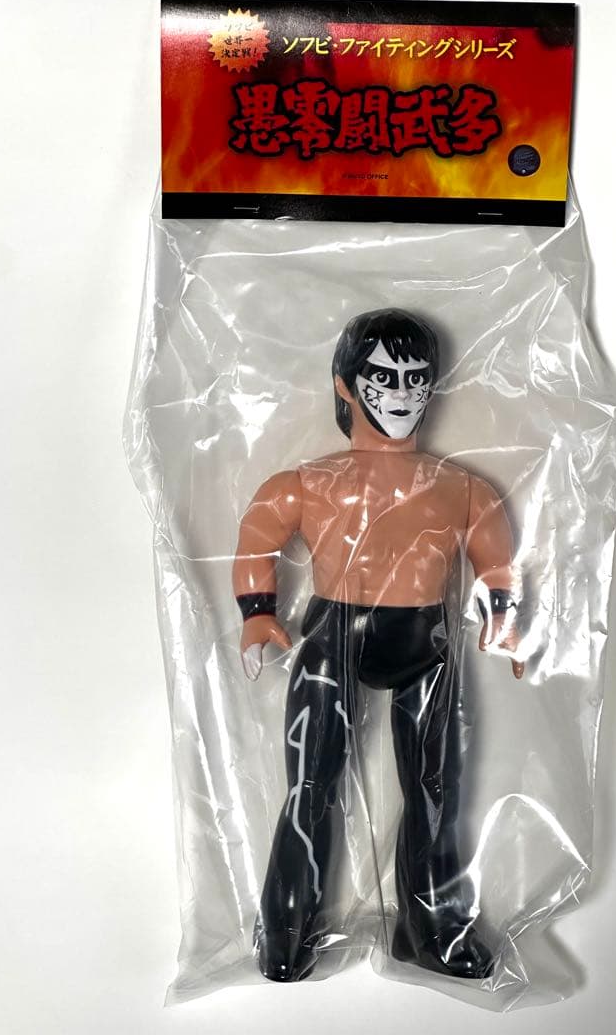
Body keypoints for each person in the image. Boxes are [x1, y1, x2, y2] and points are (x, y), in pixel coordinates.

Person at [233, 308, 523, 982]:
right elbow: (260, 530)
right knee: (310, 786)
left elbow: (494, 554)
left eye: (416, 378)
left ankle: (431, 928)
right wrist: (257, 611)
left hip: (426, 640)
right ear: (346, 384)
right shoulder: (314, 480)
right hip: (332, 636)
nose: (401, 392)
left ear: (433, 386)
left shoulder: (459, 486)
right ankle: (288, 928)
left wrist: (503, 615)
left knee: (434, 790)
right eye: (383, 377)